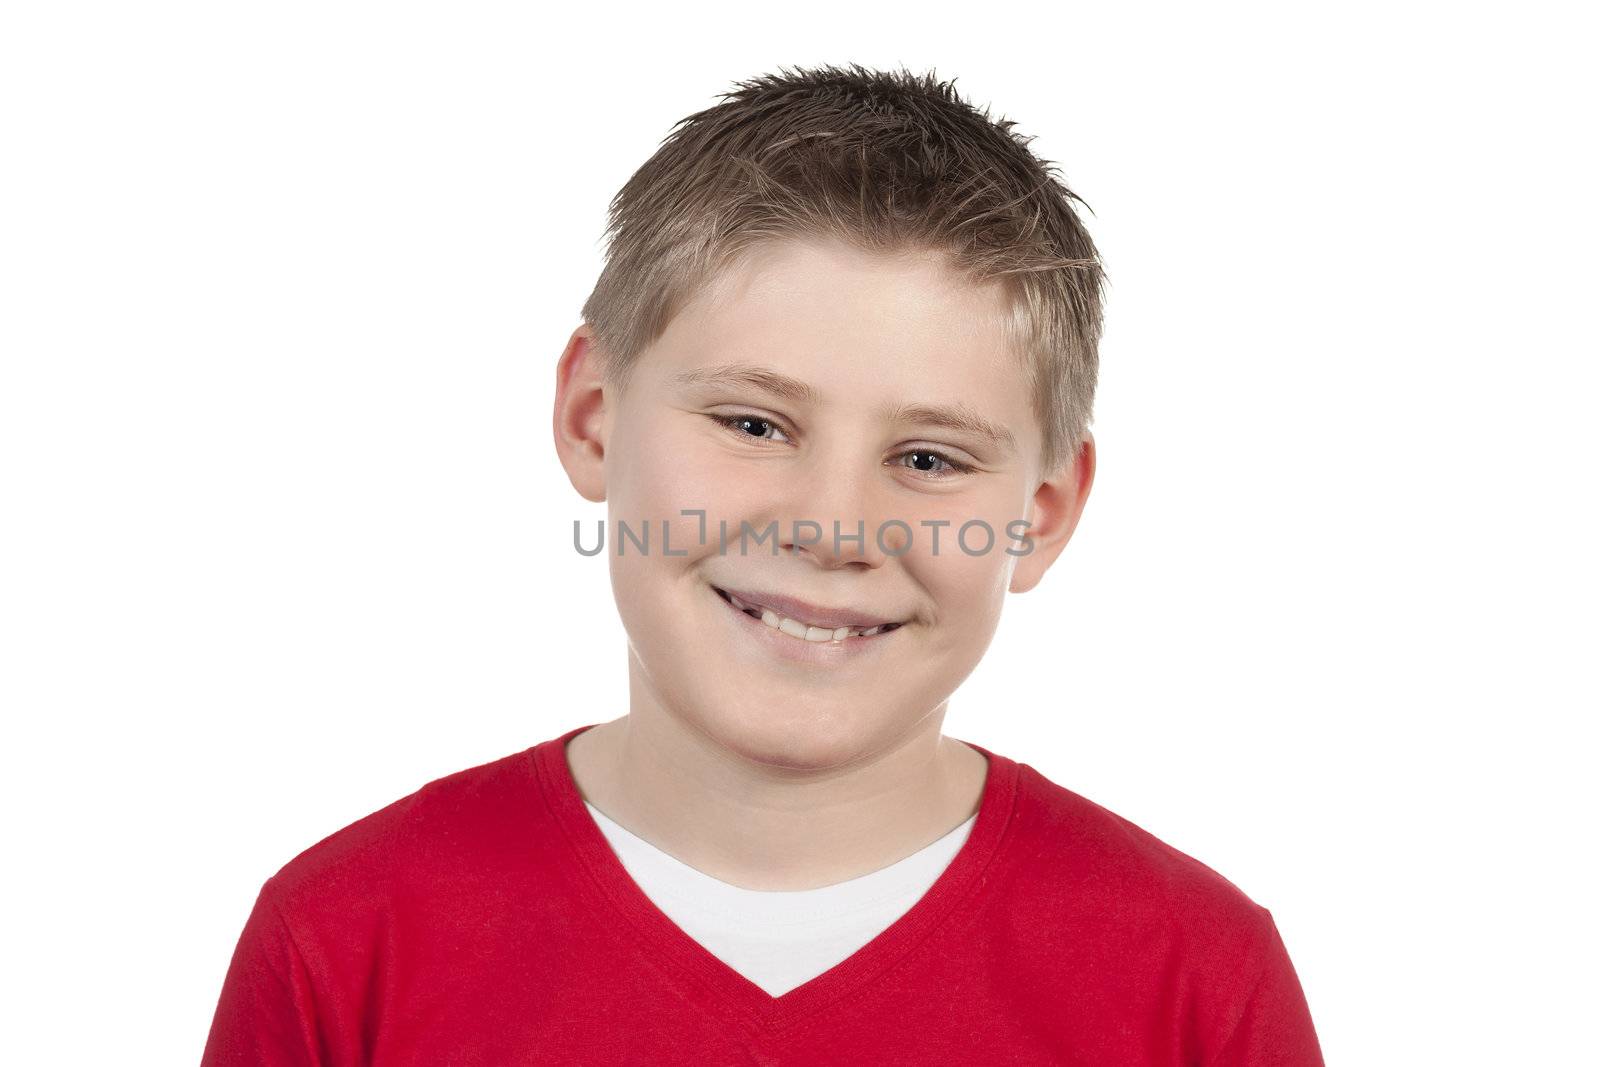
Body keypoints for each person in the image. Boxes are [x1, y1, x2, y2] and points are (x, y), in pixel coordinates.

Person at [201, 62, 1325, 1065]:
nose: (832, 525)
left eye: (927, 456)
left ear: (1039, 512)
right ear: (594, 418)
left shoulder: (1195, 982)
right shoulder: (347, 942)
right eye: (751, 424)